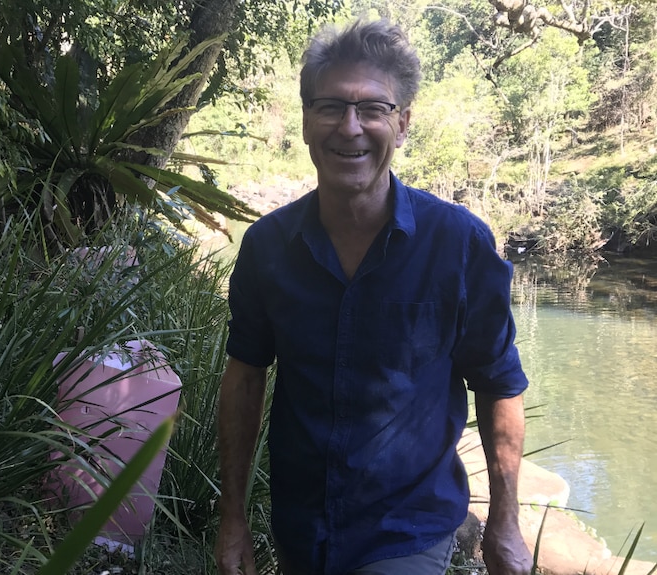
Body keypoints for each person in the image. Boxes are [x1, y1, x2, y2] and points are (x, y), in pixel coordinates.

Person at [215, 19, 533, 575]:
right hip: (301, 527)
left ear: (403, 123)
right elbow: (245, 376)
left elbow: (499, 383)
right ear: (308, 123)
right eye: (331, 107)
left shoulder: (458, 244)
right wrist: (233, 518)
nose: (350, 127)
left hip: (406, 530)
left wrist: (505, 521)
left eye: (373, 109)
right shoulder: (267, 247)